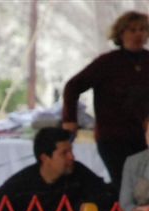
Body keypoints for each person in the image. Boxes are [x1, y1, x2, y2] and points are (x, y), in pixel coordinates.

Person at [62, 10, 149, 192]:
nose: (138, 35)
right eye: (132, 30)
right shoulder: (107, 62)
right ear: (121, 34)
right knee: (124, 183)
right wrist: (70, 119)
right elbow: (73, 86)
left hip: (142, 137)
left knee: (142, 186)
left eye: (142, 30)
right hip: (112, 137)